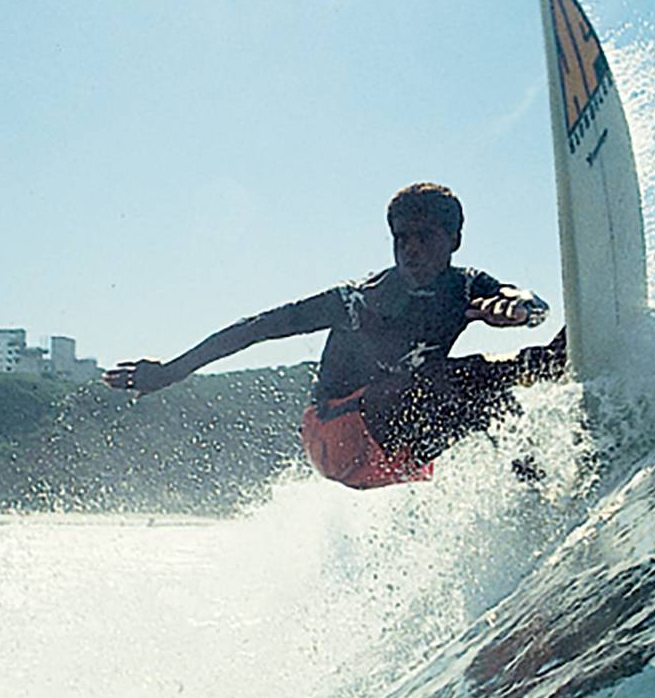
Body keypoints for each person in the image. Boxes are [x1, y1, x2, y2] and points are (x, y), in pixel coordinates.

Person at [104, 182, 567, 489]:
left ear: (454, 239)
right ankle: (539, 370)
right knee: (454, 377)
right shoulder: (358, 301)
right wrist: (171, 371)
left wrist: (521, 309)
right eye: (402, 238)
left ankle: (536, 492)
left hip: (396, 453)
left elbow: (521, 297)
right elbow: (257, 328)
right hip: (334, 436)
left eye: (425, 237)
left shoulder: (466, 286)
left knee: (501, 403)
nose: (412, 249)